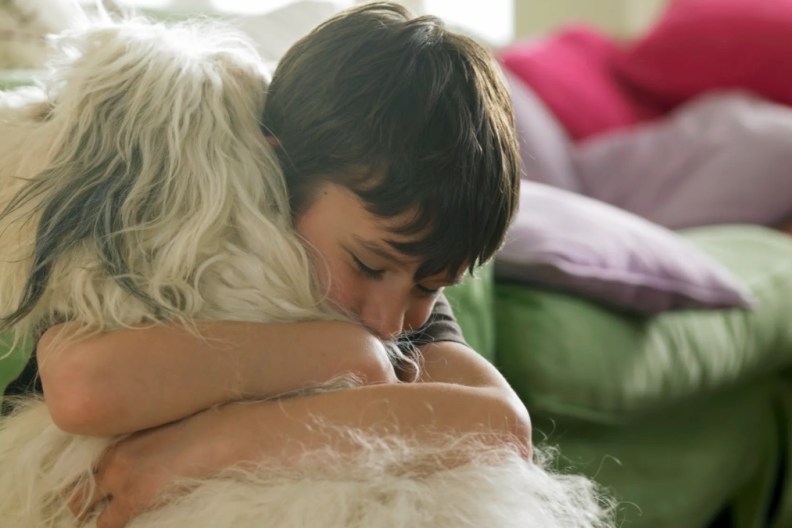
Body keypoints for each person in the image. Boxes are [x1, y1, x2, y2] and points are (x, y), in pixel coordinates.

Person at [5, 3, 525, 527]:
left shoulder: (395, 275)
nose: (390, 321)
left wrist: (202, 449)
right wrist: (342, 353)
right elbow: (82, 389)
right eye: (369, 265)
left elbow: (502, 427)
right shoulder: (179, 230)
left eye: (431, 287)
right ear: (277, 172)